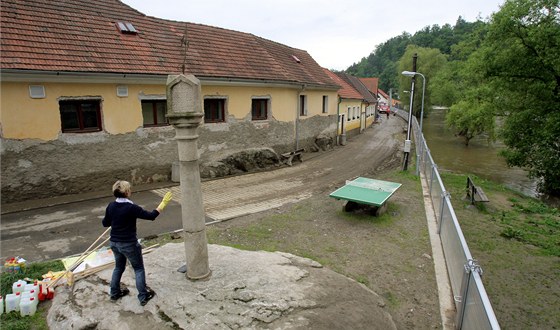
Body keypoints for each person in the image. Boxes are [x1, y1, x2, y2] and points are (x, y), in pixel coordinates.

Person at [102, 180, 172, 306]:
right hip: (128, 244)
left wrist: (115, 220)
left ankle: (114, 293)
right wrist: (162, 204)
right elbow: (151, 216)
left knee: (118, 267)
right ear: (127, 192)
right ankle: (143, 296)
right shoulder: (131, 207)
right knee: (138, 268)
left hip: (114, 242)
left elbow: (105, 223)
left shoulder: (111, 206)